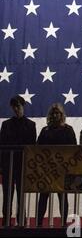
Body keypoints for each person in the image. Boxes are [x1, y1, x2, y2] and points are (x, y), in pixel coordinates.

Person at [37, 103, 77, 227]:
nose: (55, 115)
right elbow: (37, 148)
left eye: (57, 113)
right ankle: (38, 224)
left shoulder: (68, 130)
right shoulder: (45, 130)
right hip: (47, 169)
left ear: (61, 114)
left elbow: (74, 148)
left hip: (63, 169)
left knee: (63, 197)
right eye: (53, 113)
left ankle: (64, 224)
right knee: (43, 197)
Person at [0, 95, 36, 226]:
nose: (16, 109)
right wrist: (1, 167)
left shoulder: (31, 125)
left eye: (18, 106)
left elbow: (32, 147)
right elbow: (1, 146)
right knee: (7, 196)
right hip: (8, 165)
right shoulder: (5, 124)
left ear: (23, 106)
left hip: (23, 166)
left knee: (21, 196)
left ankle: (21, 222)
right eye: (14, 106)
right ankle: (6, 222)